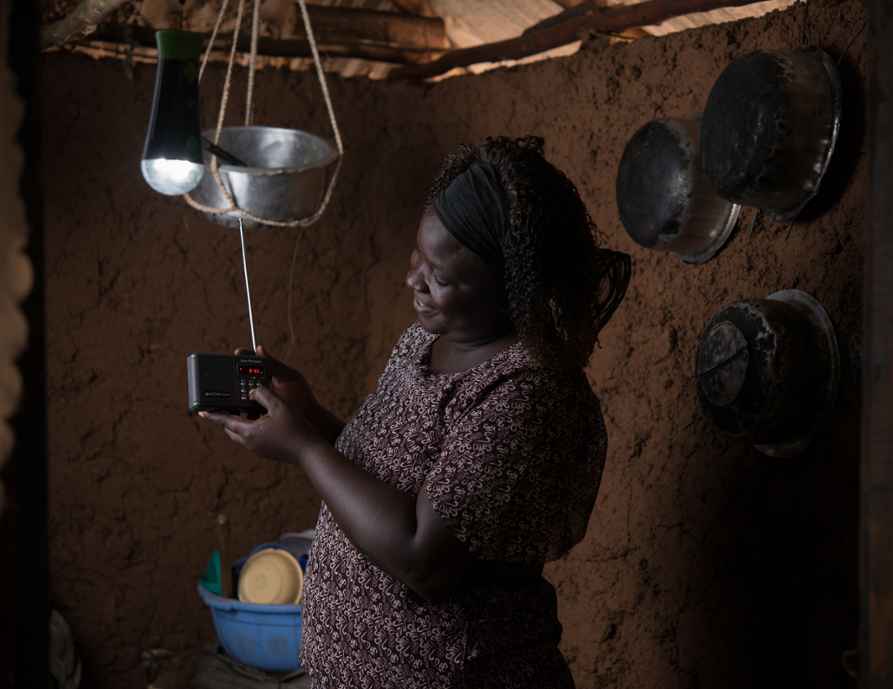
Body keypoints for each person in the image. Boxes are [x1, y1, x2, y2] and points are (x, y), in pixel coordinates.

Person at [199, 136, 632, 689]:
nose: (413, 280)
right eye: (417, 257)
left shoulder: (525, 395)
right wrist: (308, 417)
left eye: (441, 276)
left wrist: (305, 449)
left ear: (511, 288)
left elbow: (422, 557)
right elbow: (391, 477)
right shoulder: (424, 341)